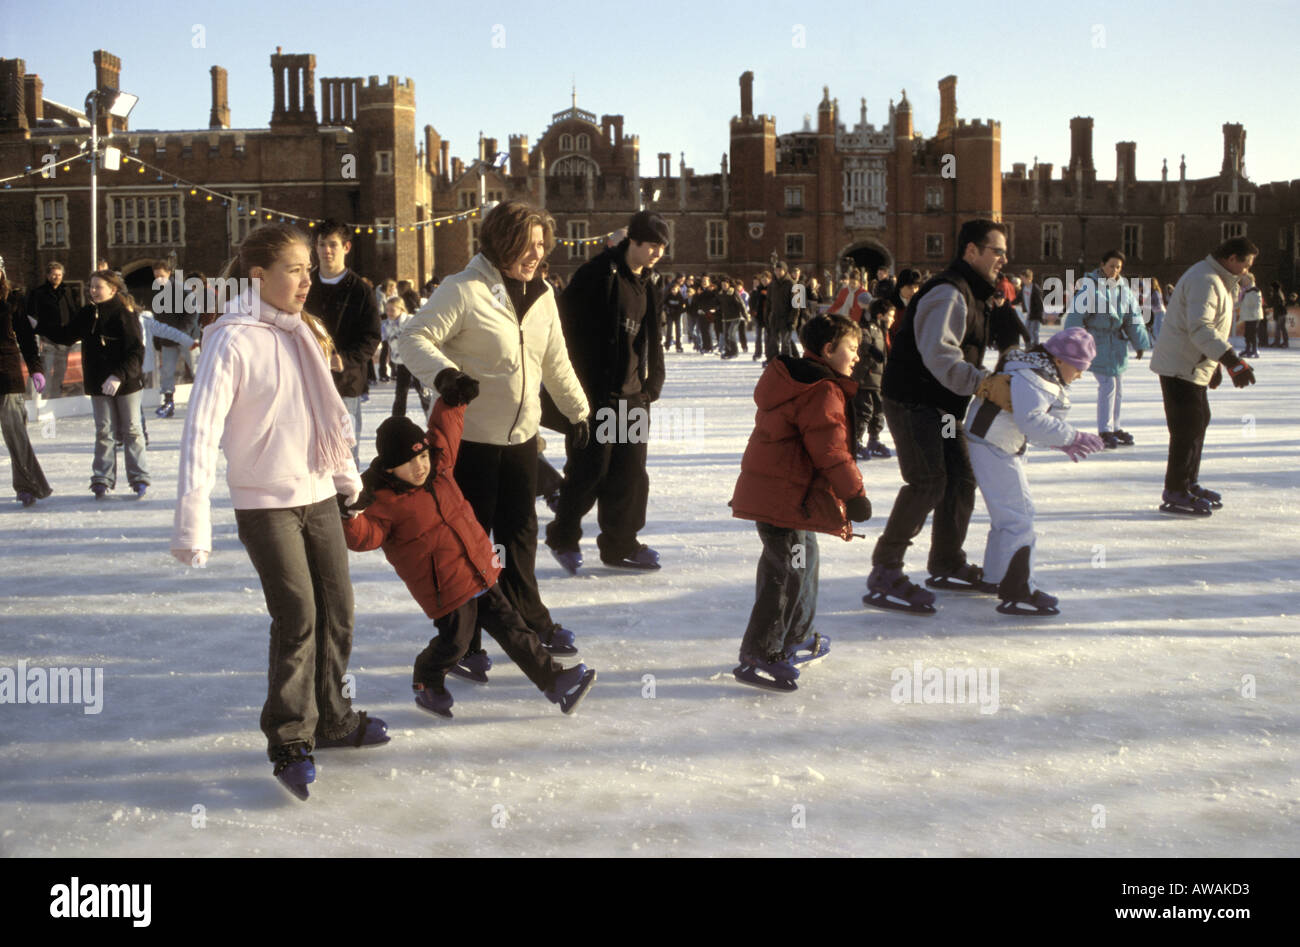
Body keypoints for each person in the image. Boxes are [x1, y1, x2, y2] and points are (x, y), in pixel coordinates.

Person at [172, 223, 387, 802]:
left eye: (309, 270)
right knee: (298, 616)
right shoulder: (230, 339)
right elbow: (201, 431)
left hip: (317, 491)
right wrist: (193, 519)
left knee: (337, 610)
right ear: (258, 276)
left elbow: (325, 415)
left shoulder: (304, 332)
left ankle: (333, 717)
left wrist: (347, 482)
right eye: (294, 269)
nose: (306, 279)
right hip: (266, 503)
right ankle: (291, 736)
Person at [399, 200, 591, 675]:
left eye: (542, 245)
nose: (536, 254)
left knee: (520, 537)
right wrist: (445, 376)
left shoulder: (542, 294)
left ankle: (532, 619)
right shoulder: (463, 290)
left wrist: (578, 412)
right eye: (528, 245)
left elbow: (555, 361)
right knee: (469, 546)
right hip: (472, 444)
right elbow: (413, 337)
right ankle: (464, 643)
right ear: (502, 241)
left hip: (521, 440)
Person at [342, 399, 597, 719]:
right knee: (455, 644)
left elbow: (444, 430)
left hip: (480, 570)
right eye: (409, 462)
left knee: (514, 629)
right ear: (390, 468)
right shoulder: (384, 503)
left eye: (422, 456)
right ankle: (425, 681)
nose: (420, 466)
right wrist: (349, 514)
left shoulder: (441, 470)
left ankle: (555, 681)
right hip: (446, 589)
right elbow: (364, 537)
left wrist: (452, 398)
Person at [865, 219, 1015, 615]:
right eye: (996, 250)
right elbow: (940, 355)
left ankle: (946, 561)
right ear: (971, 251)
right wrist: (984, 384)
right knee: (928, 481)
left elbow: (984, 340)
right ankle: (885, 570)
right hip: (914, 400)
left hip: (944, 405)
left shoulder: (978, 294)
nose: (1003, 258)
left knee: (960, 479)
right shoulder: (949, 293)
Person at [729, 314, 872, 691]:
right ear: (828, 350)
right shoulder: (820, 389)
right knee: (788, 571)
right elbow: (830, 450)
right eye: (852, 349)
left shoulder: (800, 380)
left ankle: (798, 634)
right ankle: (761, 650)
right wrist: (854, 494)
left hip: (787, 496)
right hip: (784, 499)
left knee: (802, 561)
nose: (857, 357)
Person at [544, 210, 667, 572]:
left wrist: (652, 384)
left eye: (662, 248)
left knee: (630, 474)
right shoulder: (598, 274)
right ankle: (562, 535)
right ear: (634, 241)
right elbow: (561, 329)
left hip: (632, 395)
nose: (657, 253)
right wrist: (577, 388)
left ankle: (620, 543)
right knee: (589, 470)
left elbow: (652, 337)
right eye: (652, 246)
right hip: (596, 395)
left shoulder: (648, 282)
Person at [965, 328, 1104, 616]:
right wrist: (1071, 437)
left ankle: (996, 577)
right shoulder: (1036, 377)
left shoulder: (1033, 369)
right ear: (1060, 359)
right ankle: (1017, 590)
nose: (1079, 376)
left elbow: (1027, 421)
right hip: (994, 445)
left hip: (991, 441)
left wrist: (1060, 442)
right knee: (1020, 518)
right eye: (1078, 369)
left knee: (1008, 517)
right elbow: (1032, 420)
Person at [1149, 236, 1258, 515]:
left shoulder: (1215, 279)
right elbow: (1200, 327)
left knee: (1198, 422)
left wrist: (1215, 364)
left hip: (1192, 365)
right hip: (1179, 366)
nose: (1246, 270)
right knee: (1186, 427)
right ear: (1231, 258)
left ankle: (1187, 482)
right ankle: (1175, 489)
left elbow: (1208, 330)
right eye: (1245, 264)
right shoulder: (1205, 280)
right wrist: (1231, 360)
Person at [36, 269, 150, 499]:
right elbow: (67, 335)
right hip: (98, 382)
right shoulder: (89, 312)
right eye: (91, 286)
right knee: (104, 430)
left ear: (113, 289)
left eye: (98, 287)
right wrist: (38, 325)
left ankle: (138, 477)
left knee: (131, 430)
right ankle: (102, 477)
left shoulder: (124, 313)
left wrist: (118, 375)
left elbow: (136, 351)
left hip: (126, 383)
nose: (93, 291)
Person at [305, 220, 382, 466]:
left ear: (346, 247)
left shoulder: (361, 290)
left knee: (346, 452)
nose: (326, 250)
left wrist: (344, 359)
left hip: (345, 382)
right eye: (321, 244)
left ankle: (347, 502)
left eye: (332, 245)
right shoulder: (304, 285)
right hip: (306, 378)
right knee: (307, 446)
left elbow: (371, 336)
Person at [1063, 250, 1151, 449]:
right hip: (1097, 342)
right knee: (1108, 385)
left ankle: (1115, 426)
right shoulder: (1090, 288)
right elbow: (1075, 318)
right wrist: (1073, 344)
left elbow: (1133, 317)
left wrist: (1140, 342)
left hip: (1117, 344)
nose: (1114, 270)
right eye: (1111, 266)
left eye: (1118, 267)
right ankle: (1104, 429)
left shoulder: (1124, 290)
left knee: (1118, 387)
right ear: (1102, 265)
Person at [1, 264, 52, 507]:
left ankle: (26, 484)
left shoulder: (13, 300)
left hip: (6, 374)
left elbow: (26, 338)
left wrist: (36, 368)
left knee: (16, 434)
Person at [151, 259, 199, 419]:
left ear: (169, 273)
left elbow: (192, 314)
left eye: (162, 276)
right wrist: (158, 337)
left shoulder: (182, 289)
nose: (159, 279)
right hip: (167, 339)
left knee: (197, 369)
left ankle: (203, 400)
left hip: (187, 338)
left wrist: (180, 334)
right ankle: (168, 401)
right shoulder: (157, 291)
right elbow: (157, 317)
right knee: (167, 372)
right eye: (156, 276)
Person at [26, 262, 80, 398]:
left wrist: (74, 332)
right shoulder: (38, 293)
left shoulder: (67, 291)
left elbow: (74, 311)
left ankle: (56, 396)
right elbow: (32, 316)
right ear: (48, 275)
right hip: (47, 339)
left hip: (64, 339)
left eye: (59, 275)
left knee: (60, 372)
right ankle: (42, 397)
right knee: (45, 369)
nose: (57, 277)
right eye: (54, 274)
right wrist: (38, 334)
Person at [853, 297, 894, 459]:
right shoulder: (867, 328)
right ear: (880, 315)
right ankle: (855, 441)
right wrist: (870, 349)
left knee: (878, 412)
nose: (893, 319)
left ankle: (874, 440)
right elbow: (861, 340)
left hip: (879, 380)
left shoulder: (884, 332)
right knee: (864, 411)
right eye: (890, 315)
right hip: (865, 378)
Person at [384, 296, 430, 418]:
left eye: (392, 310)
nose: (389, 313)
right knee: (400, 393)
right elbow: (389, 343)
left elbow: (423, 337)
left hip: (416, 361)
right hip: (401, 362)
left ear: (401, 310)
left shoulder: (411, 320)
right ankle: (397, 421)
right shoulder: (387, 324)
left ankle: (431, 420)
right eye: (387, 309)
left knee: (423, 392)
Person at [1238, 274, 1262, 358]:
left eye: (1245, 280)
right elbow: (1241, 303)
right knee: (1247, 334)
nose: (1243, 281)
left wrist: (1254, 312)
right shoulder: (1244, 291)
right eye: (1243, 280)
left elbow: (1257, 304)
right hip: (1247, 316)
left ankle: (1255, 349)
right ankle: (1248, 348)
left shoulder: (1255, 290)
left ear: (1250, 280)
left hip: (1253, 316)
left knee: (1253, 333)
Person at [1020, 268, 1045, 346]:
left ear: (1028, 278)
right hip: (1029, 314)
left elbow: (1040, 303)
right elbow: (1018, 298)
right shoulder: (1024, 288)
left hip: (1036, 314)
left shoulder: (1035, 289)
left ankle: (1036, 346)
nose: (1021, 280)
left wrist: (1040, 315)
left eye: (1023, 278)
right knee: (1027, 331)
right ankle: (1028, 346)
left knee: (1034, 332)